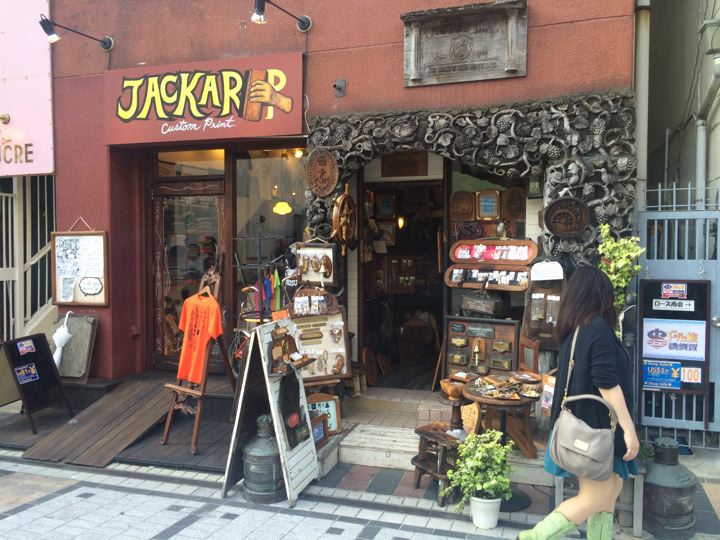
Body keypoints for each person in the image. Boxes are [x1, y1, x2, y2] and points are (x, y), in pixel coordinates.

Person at [519, 265, 640, 540]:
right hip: (593, 430)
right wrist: (629, 429)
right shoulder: (596, 328)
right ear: (600, 295)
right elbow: (606, 383)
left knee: (610, 491)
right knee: (595, 498)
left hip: (591, 426)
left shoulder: (577, 328)